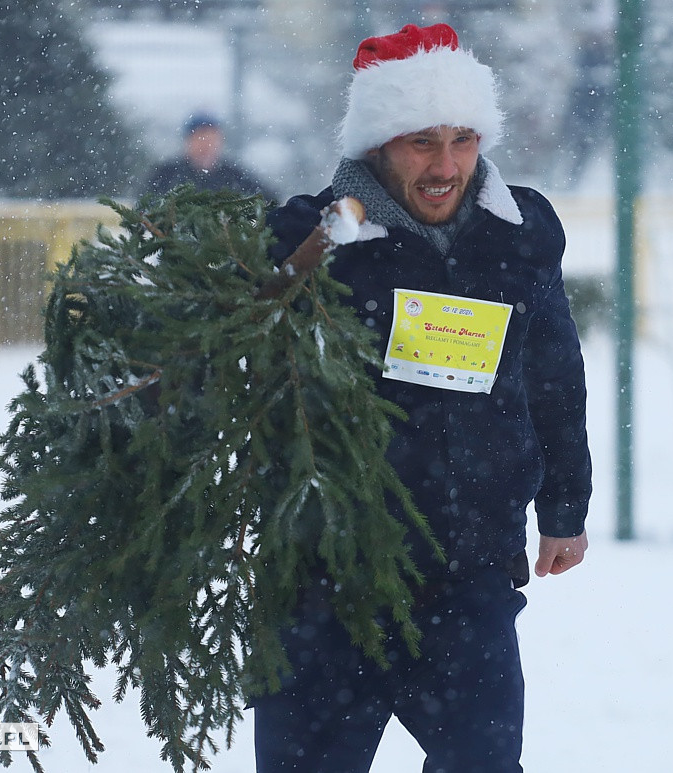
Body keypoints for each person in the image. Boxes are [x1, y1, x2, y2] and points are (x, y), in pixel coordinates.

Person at [257, 23, 592, 772]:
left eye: (464, 139)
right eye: (420, 143)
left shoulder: (523, 228)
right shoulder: (308, 234)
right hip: (322, 583)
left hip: (466, 575)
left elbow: (554, 372)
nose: (447, 165)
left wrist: (565, 507)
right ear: (377, 144)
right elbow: (232, 363)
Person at [143, 112, 278, 200]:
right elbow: (145, 205)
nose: (207, 145)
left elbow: (269, 199)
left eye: (212, 139)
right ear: (188, 141)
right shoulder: (167, 174)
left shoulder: (234, 175)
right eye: (201, 138)